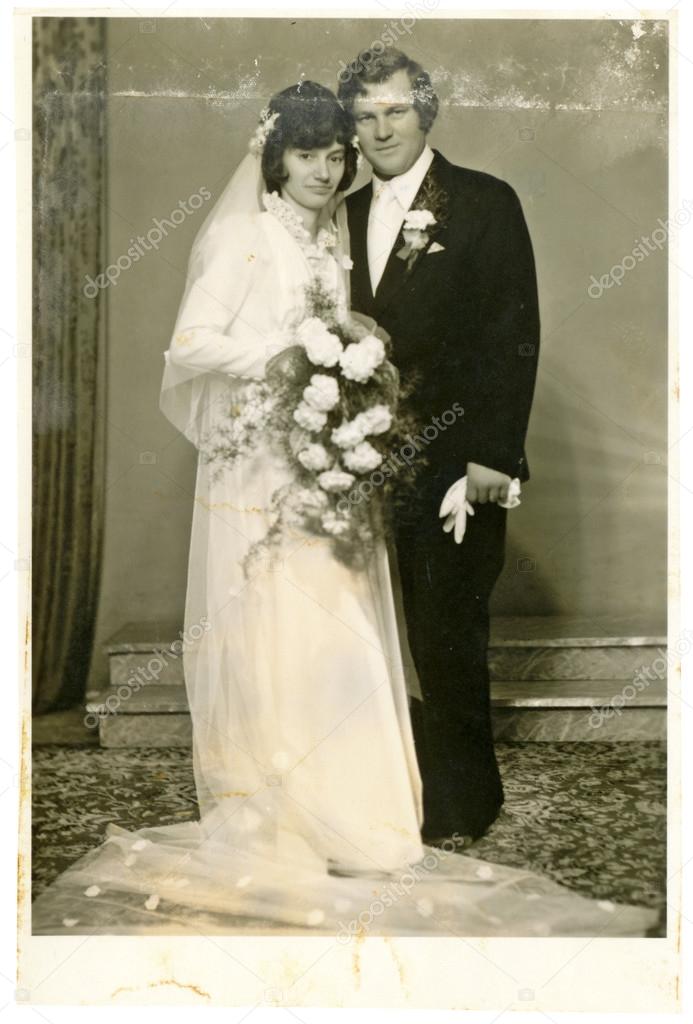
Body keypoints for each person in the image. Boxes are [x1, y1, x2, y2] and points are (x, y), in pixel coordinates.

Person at [31, 82, 656, 937]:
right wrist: (295, 352)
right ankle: (288, 809)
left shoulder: (328, 235)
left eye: (335, 155)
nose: (325, 171)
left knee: (344, 627)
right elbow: (191, 344)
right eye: (306, 155)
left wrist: (348, 372)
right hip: (266, 468)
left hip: (331, 463)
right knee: (282, 624)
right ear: (273, 159)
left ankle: (360, 812)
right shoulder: (246, 236)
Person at [339, 48, 540, 845]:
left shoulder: (484, 202)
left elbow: (512, 334)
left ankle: (464, 803)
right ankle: (388, 793)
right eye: (364, 116)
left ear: (425, 112)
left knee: (448, 631)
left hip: (456, 462)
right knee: (369, 635)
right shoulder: (342, 212)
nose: (380, 129)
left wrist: (493, 457)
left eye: (394, 110)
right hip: (361, 461)